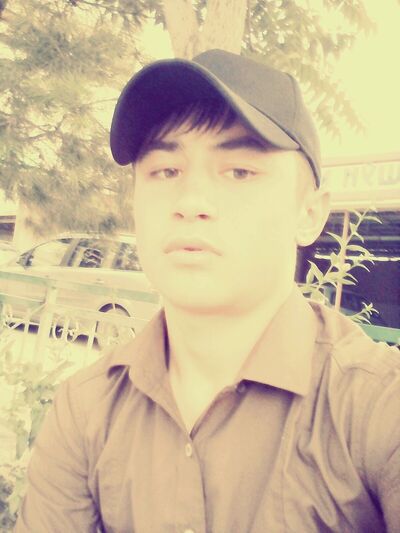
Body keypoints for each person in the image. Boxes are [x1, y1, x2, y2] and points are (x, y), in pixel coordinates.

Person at [16, 50, 399, 532]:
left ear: (309, 213)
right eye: (166, 171)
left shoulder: (378, 407)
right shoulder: (86, 409)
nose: (191, 201)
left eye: (239, 171)